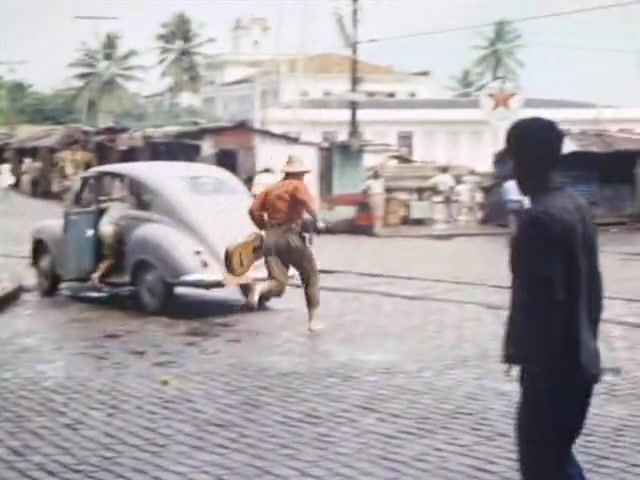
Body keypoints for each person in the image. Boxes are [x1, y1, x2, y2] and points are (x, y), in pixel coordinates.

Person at [502, 117, 603, 480]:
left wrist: (535, 365)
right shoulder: (576, 206)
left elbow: (545, 305)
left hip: (553, 367)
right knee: (559, 459)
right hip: (582, 358)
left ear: (522, 161)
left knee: (543, 464)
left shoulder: (538, 221)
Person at [247, 154, 324, 332]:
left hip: (271, 238)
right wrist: (317, 220)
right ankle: (314, 321)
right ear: (299, 174)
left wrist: (264, 226)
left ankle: (259, 289)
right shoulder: (297, 186)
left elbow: (253, 210)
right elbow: (308, 204)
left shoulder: (271, 189)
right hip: (290, 236)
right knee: (310, 275)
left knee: (277, 283)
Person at [90, 180, 137, 286]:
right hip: (110, 230)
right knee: (111, 258)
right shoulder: (127, 207)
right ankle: (97, 276)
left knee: (111, 255)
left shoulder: (116, 204)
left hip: (103, 227)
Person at [363, 169, 386, 235]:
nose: (376, 175)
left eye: (377, 174)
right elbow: (365, 190)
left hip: (378, 196)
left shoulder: (381, 181)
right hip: (374, 196)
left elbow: (365, 189)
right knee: (374, 214)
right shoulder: (371, 181)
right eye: (375, 174)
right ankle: (375, 230)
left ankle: (377, 230)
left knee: (379, 215)